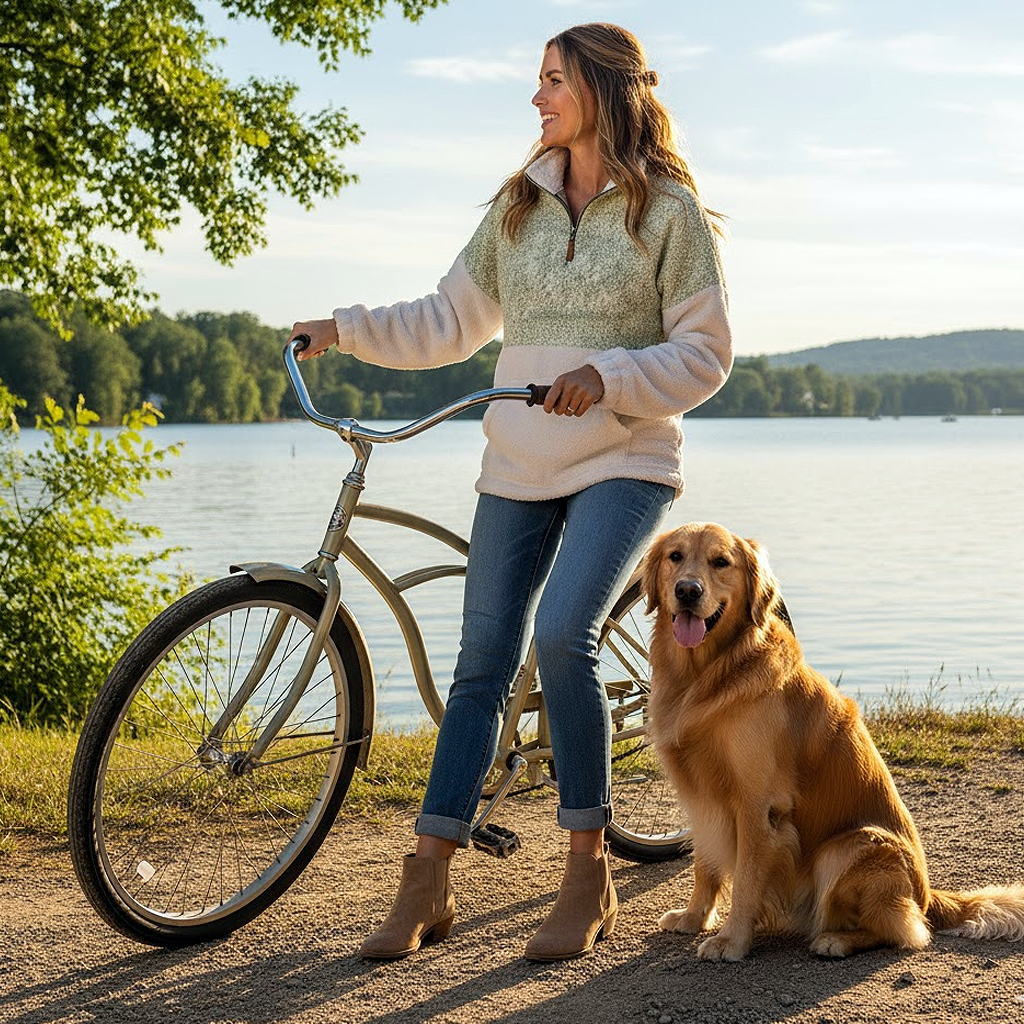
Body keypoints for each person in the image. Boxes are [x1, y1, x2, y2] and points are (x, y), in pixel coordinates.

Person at [288, 22, 733, 962]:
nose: (537, 98)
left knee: (563, 635)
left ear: (603, 91)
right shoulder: (518, 206)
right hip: (517, 465)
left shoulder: (669, 215)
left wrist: (608, 376)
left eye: (553, 81)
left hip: (624, 459)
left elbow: (706, 354)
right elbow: (450, 317)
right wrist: (345, 327)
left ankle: (587, 871)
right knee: (482, 664)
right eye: (538, 82)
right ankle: (428, 878)